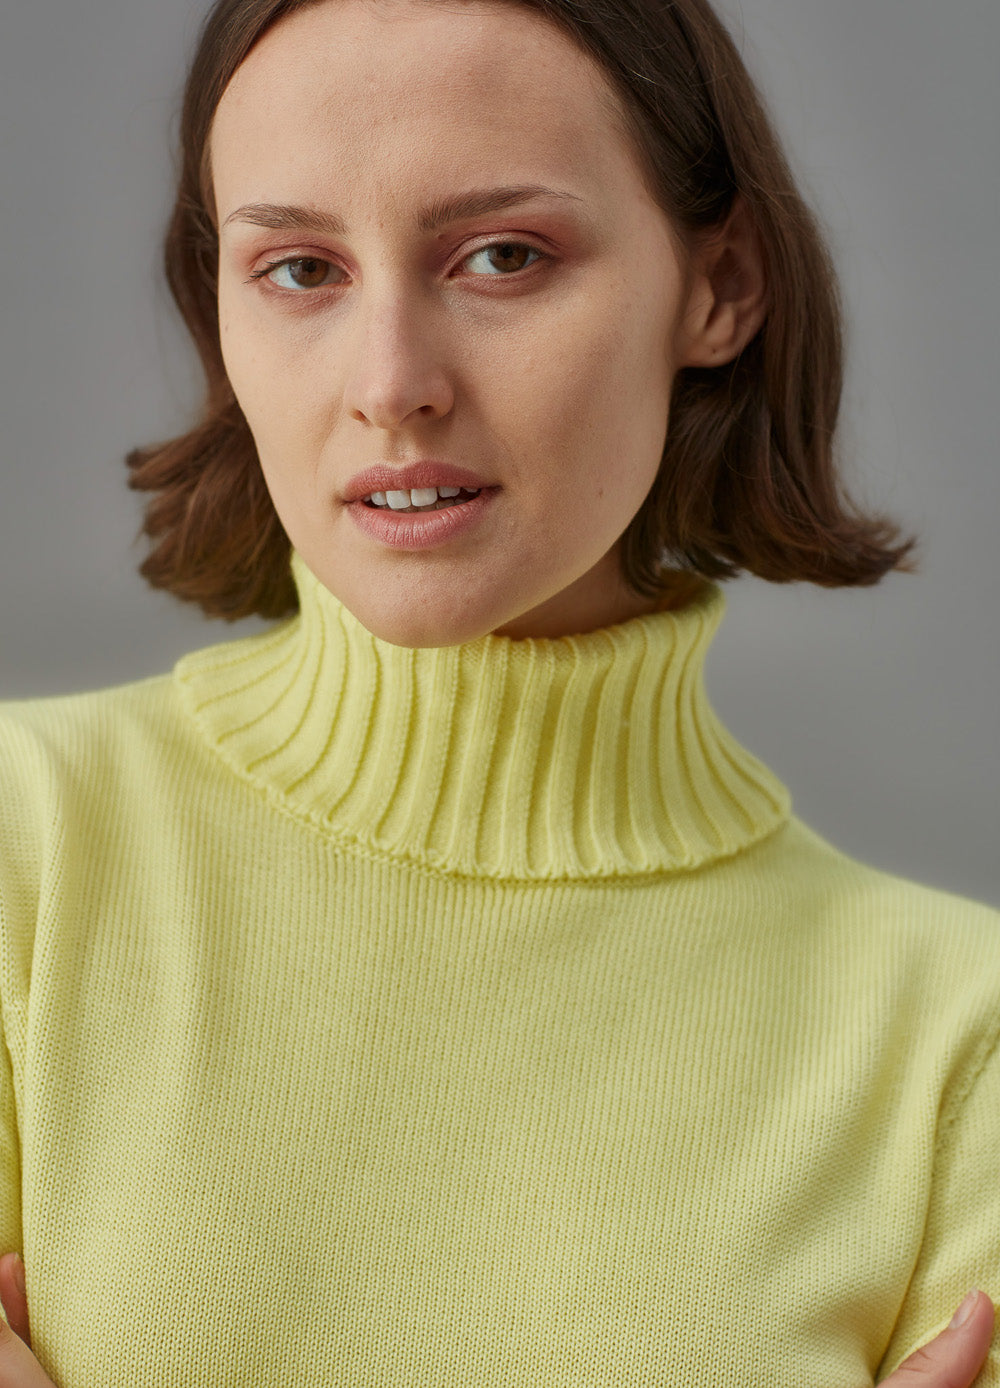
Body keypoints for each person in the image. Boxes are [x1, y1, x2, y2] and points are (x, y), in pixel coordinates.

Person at [0, 0, 996, 1384]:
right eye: (298, 270)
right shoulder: (25, 848)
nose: (392, 384)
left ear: (722, 286)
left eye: (505, 256)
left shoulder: (959, 1042)